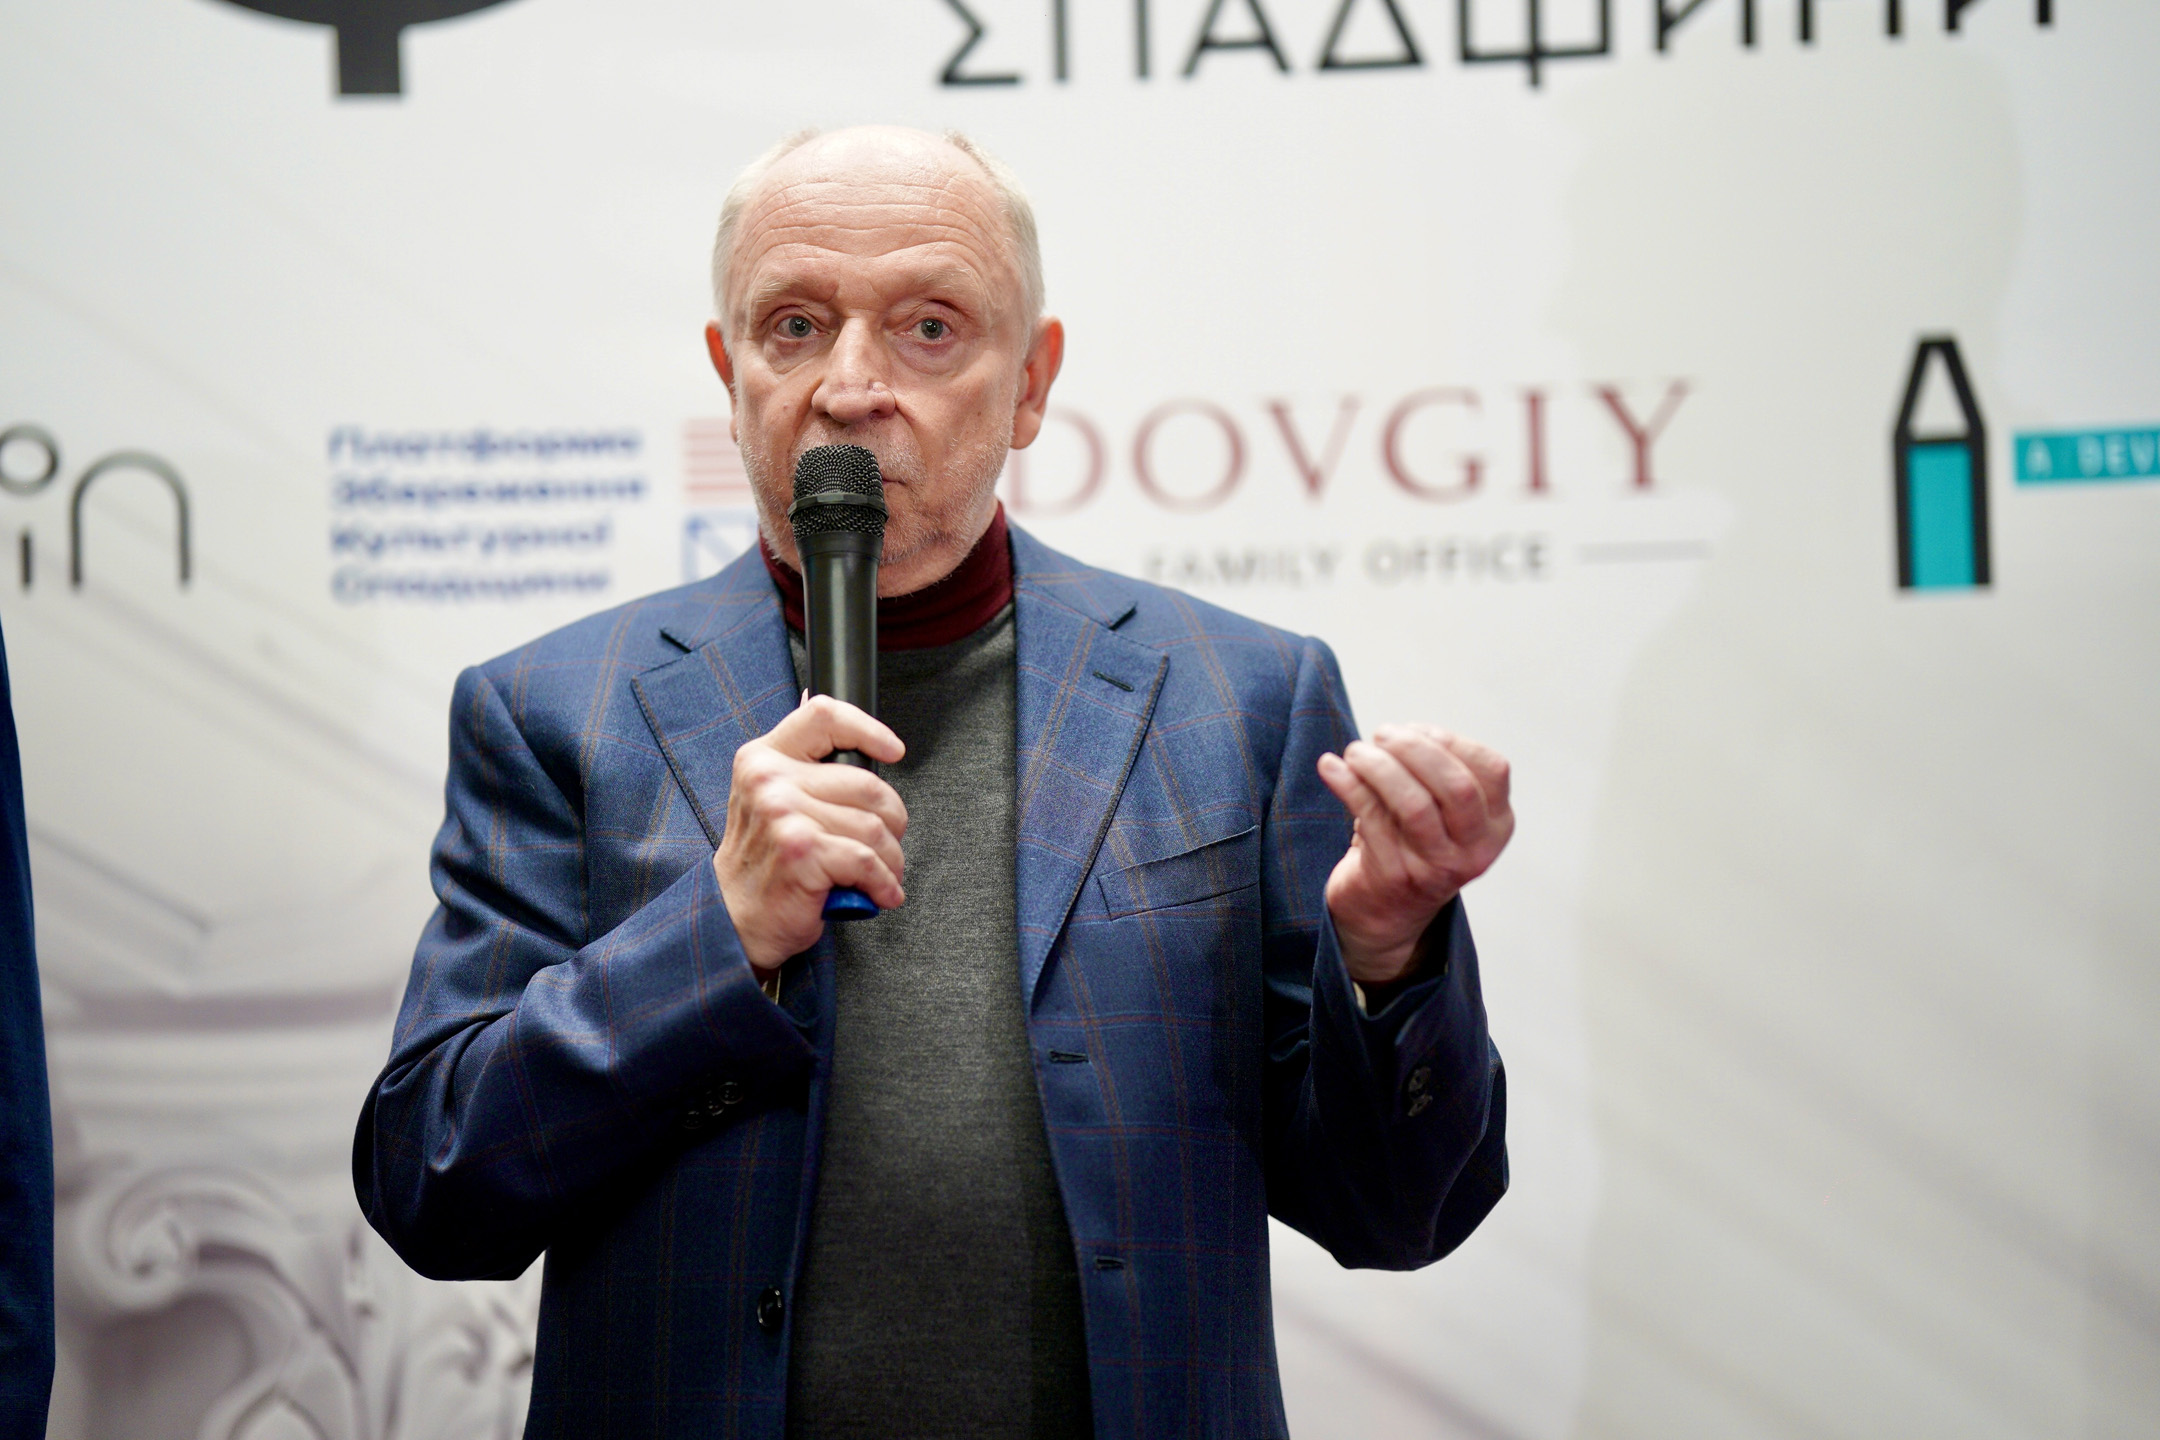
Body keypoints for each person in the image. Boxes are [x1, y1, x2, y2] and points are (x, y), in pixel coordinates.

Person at [355, 126, 1513, 1440]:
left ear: (1030, 384)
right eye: (795, 327)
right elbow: (434, 1191)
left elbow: (1398, 1212)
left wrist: (1392, 957)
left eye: (929, 329)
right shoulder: (554, 711)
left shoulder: (1239, 697)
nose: (851, 388)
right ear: (730, 374)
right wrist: (713, 938)